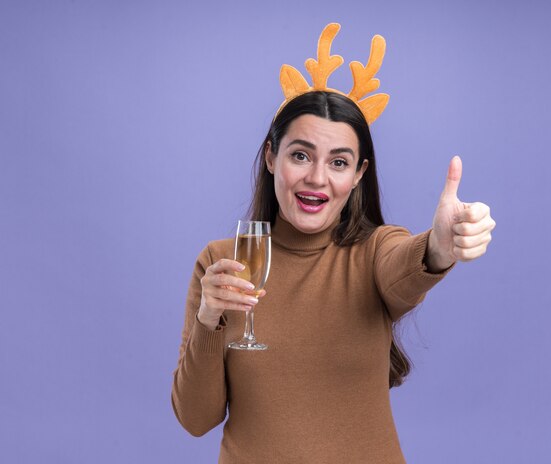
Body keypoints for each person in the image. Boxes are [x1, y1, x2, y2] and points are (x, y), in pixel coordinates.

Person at [172, 24, 495, 463]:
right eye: (300, 155)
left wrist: (439, 245)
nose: (317, 178)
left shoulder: (375, 251)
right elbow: (195, 420)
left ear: (359, 174)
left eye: (338, 162)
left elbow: (407, 266)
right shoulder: (221, 263)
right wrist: (209, 320)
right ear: (271, 157)